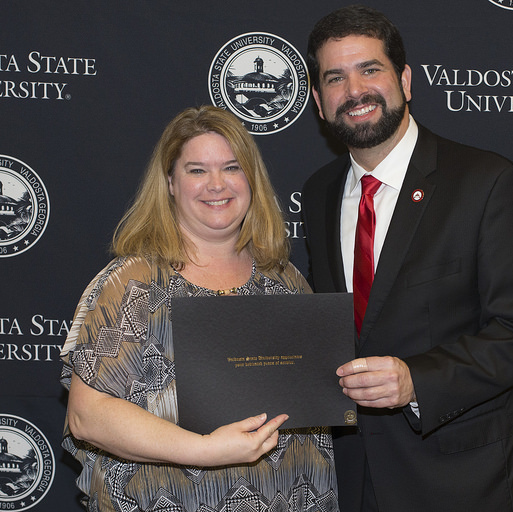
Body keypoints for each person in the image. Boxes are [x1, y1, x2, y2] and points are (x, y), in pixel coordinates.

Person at [302, 5, 513, 511]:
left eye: (370, 69)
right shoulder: (318, 194)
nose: (354, 91)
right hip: (359, 480)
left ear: (405, 79)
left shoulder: (488, 183)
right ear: (317, 100)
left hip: (473, 481)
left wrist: (415, 380)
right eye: (335, 78)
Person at [60, 106, 339, 511]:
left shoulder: (286, 281)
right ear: (171, 182)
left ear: (251, 180)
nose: (216, 184)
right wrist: (206, 449)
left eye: (231, 167)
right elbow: (88, 416)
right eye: (196, 170)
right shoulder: (133, 282)